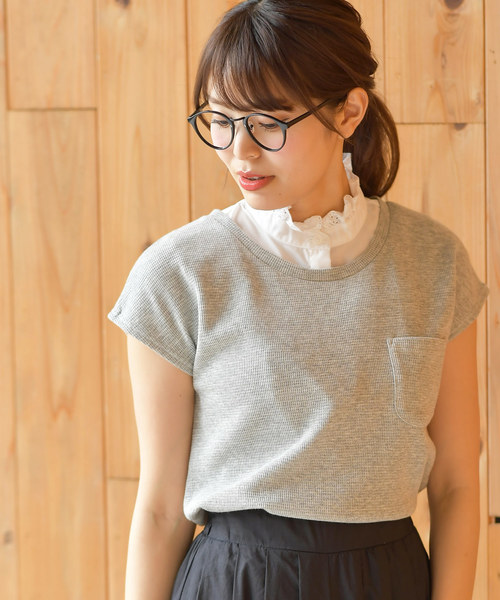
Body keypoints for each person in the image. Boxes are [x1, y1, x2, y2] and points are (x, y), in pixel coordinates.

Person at [108, 1, 488, 598]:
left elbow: (457, 482)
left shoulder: (433, 263)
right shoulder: (179, 273)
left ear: (349, 111)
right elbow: (160, 507)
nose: (239, 151)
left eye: (268, 122)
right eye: (220, 120)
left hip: (387, 579)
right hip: (235, 581)